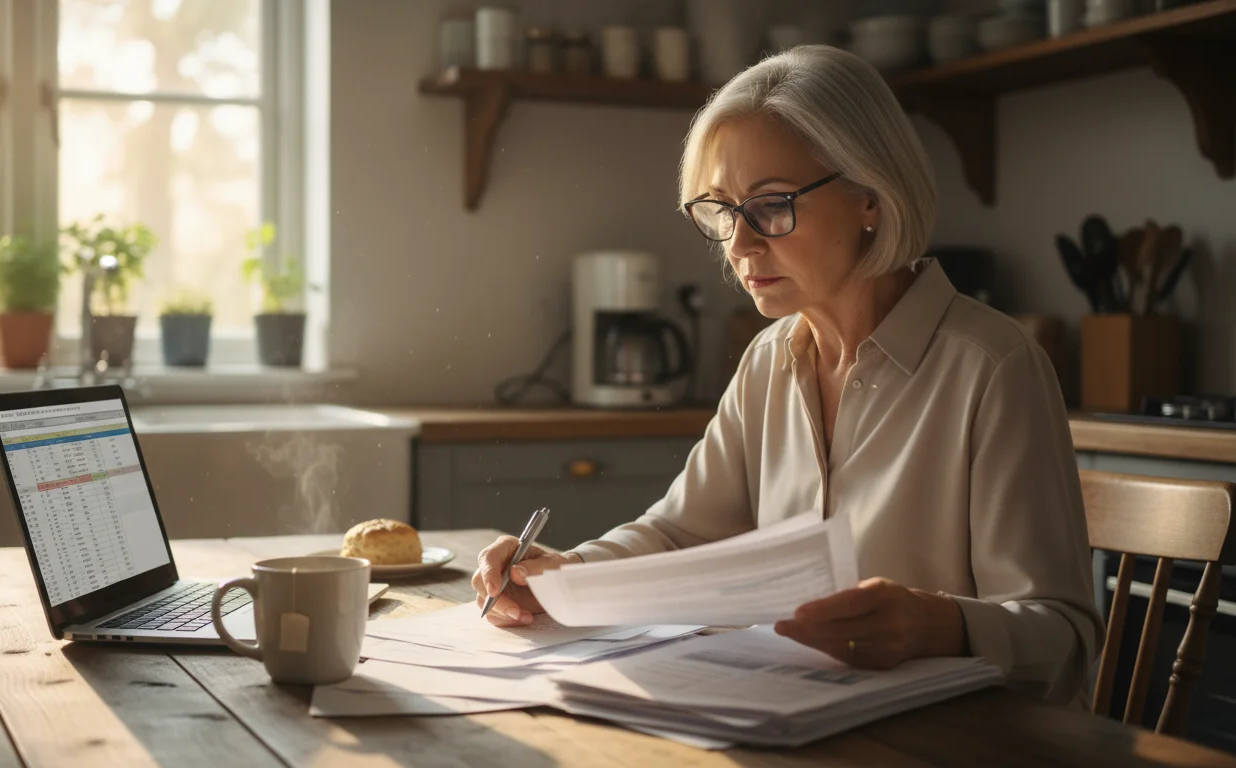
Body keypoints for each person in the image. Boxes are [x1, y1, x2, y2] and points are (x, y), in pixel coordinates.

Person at [473, 45, 1103, 704]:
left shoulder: (992, 367)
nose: (740, 245)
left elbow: (1063, 637)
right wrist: (564, 572)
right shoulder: (769, 360)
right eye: (721, 209)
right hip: (788, 724)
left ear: (871, 196)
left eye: (771, 205)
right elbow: (678, 532)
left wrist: (938, 624)